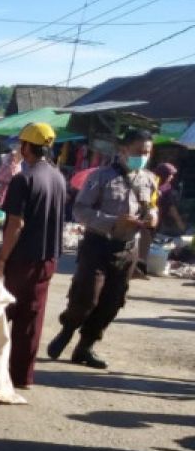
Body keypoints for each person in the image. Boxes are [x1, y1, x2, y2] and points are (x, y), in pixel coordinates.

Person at [47, 128, 158, 370]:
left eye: (147, 152)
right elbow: (80, 210)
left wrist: (152, 216)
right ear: (123, 150)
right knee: (87, 296)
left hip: (128, 248)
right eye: (139, 151)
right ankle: (68, 329)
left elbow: (151, 205)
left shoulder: (148, 178)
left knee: (113, 301)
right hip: (98, 244)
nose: (143, 156)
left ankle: (85, 346)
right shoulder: (101, 176)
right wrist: (113, 222)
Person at [0, 123, 66, 389]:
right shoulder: (58, 177)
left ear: (26, 147)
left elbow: (15, 224)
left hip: (21, 259)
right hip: (47, 259)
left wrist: (1, 259)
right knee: (31, 320)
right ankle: (21, 376)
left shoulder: (24, 179)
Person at [153, 162, 186, 237]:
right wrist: (180, 224)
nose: (172, 177)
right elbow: (171, 209)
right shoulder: (151, 184)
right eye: (170, 175)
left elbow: (170, 206)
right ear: (163, 175)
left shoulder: (167, 187)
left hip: (159, 220)